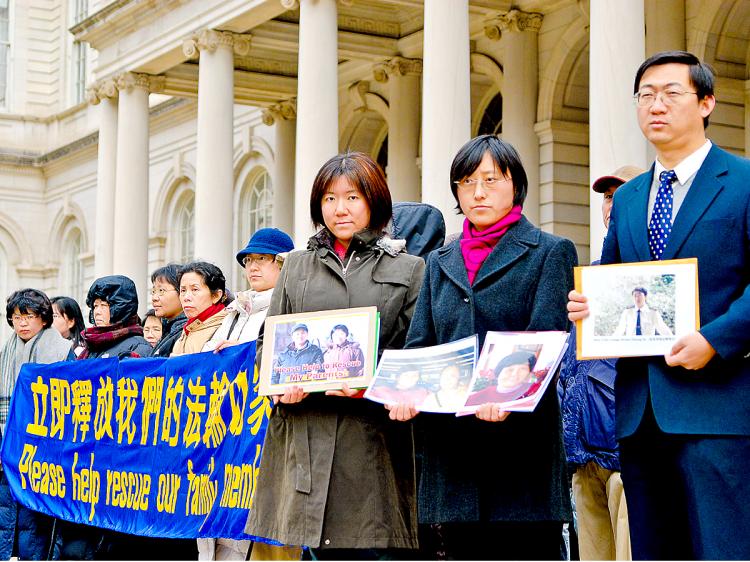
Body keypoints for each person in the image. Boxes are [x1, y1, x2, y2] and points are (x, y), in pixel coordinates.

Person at [567, 51, 750, 560]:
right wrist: (588, 306)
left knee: (724, 549)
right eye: (646, 96)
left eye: (671, 93)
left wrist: (716, 339)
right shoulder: (629, 198)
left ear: (707, 102)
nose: (656, 106)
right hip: (639, 415)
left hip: (717, 409)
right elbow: (612, 280)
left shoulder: (743, 182)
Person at [397, 135, 578, 560]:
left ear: (516, 185)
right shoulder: (440, 262)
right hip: (452, 450)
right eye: (466, 182)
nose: (477, 192)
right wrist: (406, 392)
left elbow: (545, 337)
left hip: (521, 450)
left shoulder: (550, 252)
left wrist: (505, 394)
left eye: (491, 180)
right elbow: (420, 342)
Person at [245, 151, 425, 559]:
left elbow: (415, 352)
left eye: (352, 197)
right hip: (307, 435)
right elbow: (269, 344)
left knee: (369, 546)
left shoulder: (410, 268)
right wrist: (277, 386)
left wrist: (371, 384)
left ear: (374, 200)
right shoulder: (296, 266)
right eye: (329, 198)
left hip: (371, 440)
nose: (339, 209)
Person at [199, 227, 298, 562]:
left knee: (262, 534)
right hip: (224, 437)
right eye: (249, 260)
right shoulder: (236, 310)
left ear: (283, 265)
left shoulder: (289, 307)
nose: (253, 267)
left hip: (265, 437)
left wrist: (240, 353)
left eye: (263, 260)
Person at [559, 167, 639, 561]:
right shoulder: (589, 275)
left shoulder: (656, 272)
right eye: (607, 197)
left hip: (627, 452)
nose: (612, 204)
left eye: (621, 194)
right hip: (583, 453)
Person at [0, 289, 73, 561]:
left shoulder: (62, 351)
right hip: (7, 450)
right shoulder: (5, 352)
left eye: (29, 316)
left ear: (43, 318)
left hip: (45, 453)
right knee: (6, 519)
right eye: (17, 317)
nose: (22, 323)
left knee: (37, 525)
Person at [78, 275, 152, 359]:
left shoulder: (138, 346)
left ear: (121, 309)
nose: (97, 312)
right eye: (95, 306)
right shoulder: (93, 345)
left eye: (103, 305)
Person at [171, 262, 229, 356]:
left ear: (216, 296)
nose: (186, 297)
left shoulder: (227, 327)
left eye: (195, 290)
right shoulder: (187, 329)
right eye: (183, 290)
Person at [464, 351, 537, 406]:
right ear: (499, 372)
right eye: (510, 369)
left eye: (522, 369)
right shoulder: (474, 398)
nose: (514, 374)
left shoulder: (534, 390)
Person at [150, 264, 188, 357]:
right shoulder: (169, 329)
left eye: (161, 290)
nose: (154, 298)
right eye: (153, 291)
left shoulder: (186, 331)